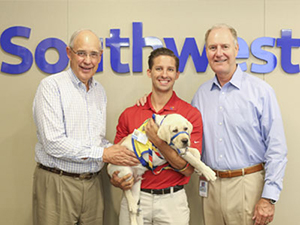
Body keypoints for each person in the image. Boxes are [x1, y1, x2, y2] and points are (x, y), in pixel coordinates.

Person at [32, 29, 139, 225]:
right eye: (81, 53)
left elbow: (96, 141)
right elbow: (53, 143)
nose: (87, 61)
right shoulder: (51, 87)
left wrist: (123, 150)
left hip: (93, 185)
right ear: (68, 53)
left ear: (100, 57)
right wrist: (105, 154)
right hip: (58, 183)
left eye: (93, 54)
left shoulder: (99, 91)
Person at [191, 24, 288, 225]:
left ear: (236, 49)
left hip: (248, 186)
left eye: (224, 47)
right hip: (210, 188)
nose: (219, 53)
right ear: (206, 53)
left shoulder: (261, 91)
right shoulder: (200, 95)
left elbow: (276, 149)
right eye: (212, 48)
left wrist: (268, 197)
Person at [110, 47, 203, 225]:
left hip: (172, 200)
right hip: (137, 197)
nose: (164, 74)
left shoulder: (189, 115)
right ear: (149, 72)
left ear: (177, 74)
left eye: (170, 69)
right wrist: (116, 179)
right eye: (159, 68)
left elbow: (188, 168)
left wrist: (158, 141)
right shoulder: (130, 114)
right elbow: (116, 160)